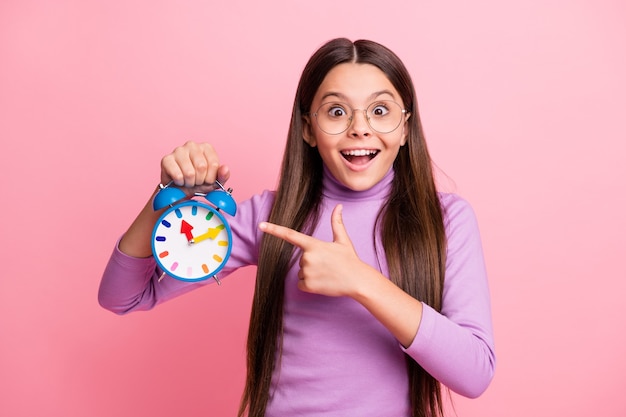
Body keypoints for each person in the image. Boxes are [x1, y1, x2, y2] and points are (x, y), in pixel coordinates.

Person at [99, 37, 495, 417]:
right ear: (308, 128)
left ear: (406, 127)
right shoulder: (270, 216)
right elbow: (124, 296)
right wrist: (166, 194)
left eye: (380, 110)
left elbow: (474, 373)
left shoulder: (446, 220)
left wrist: (361, 281)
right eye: (337, 112)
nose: (359, 128)